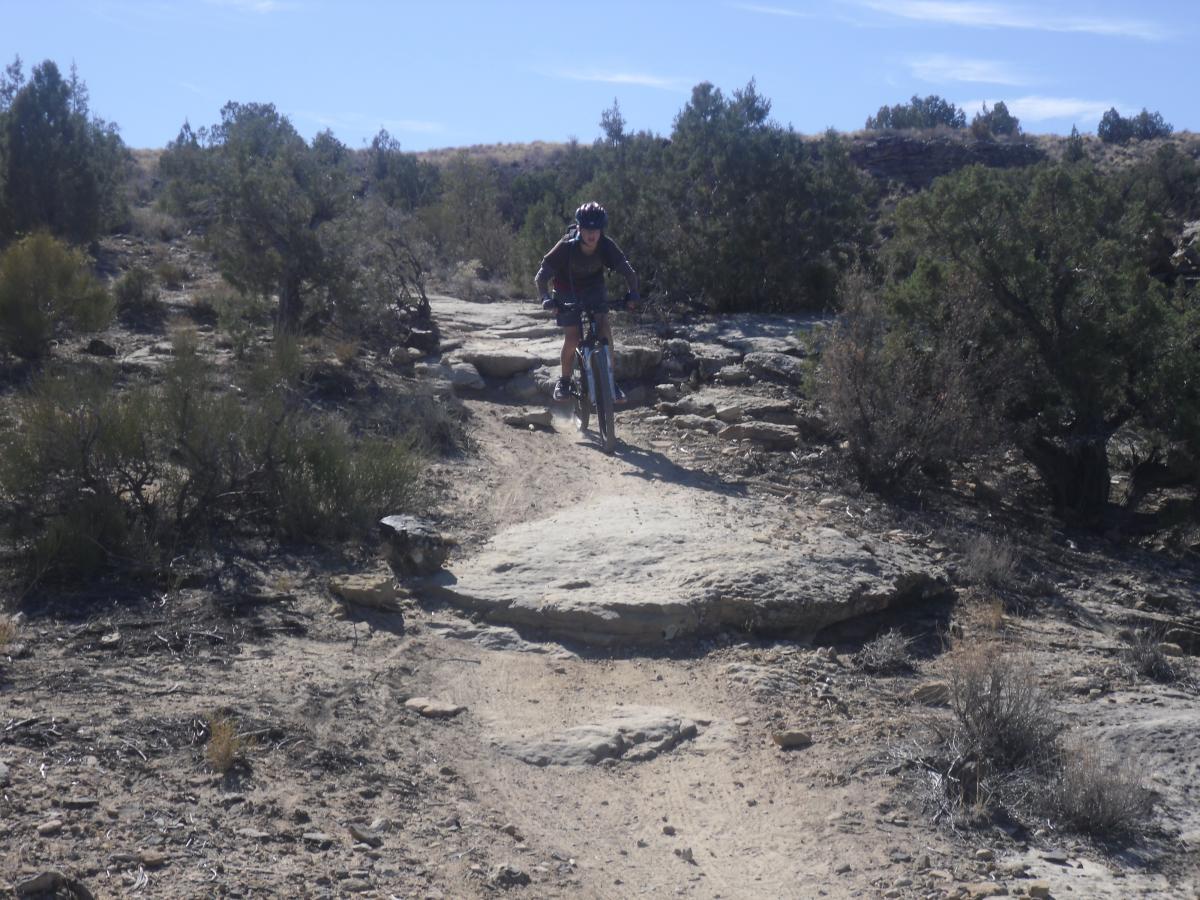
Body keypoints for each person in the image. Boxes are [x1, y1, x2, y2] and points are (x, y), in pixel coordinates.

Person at [535, 202, 640, 402]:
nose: (592, 234)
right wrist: (546, 299)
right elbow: (541, 277)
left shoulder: (606, 245)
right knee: (573, 338)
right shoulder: (566, 246)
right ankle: (565, 380)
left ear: (601, 230)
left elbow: (628, 272)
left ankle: (610, 381)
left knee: (604, 329)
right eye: (587, 229)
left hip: (593, 288)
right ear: (579, 228)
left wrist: (633, 293)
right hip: (567, 288)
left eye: (596, 230)